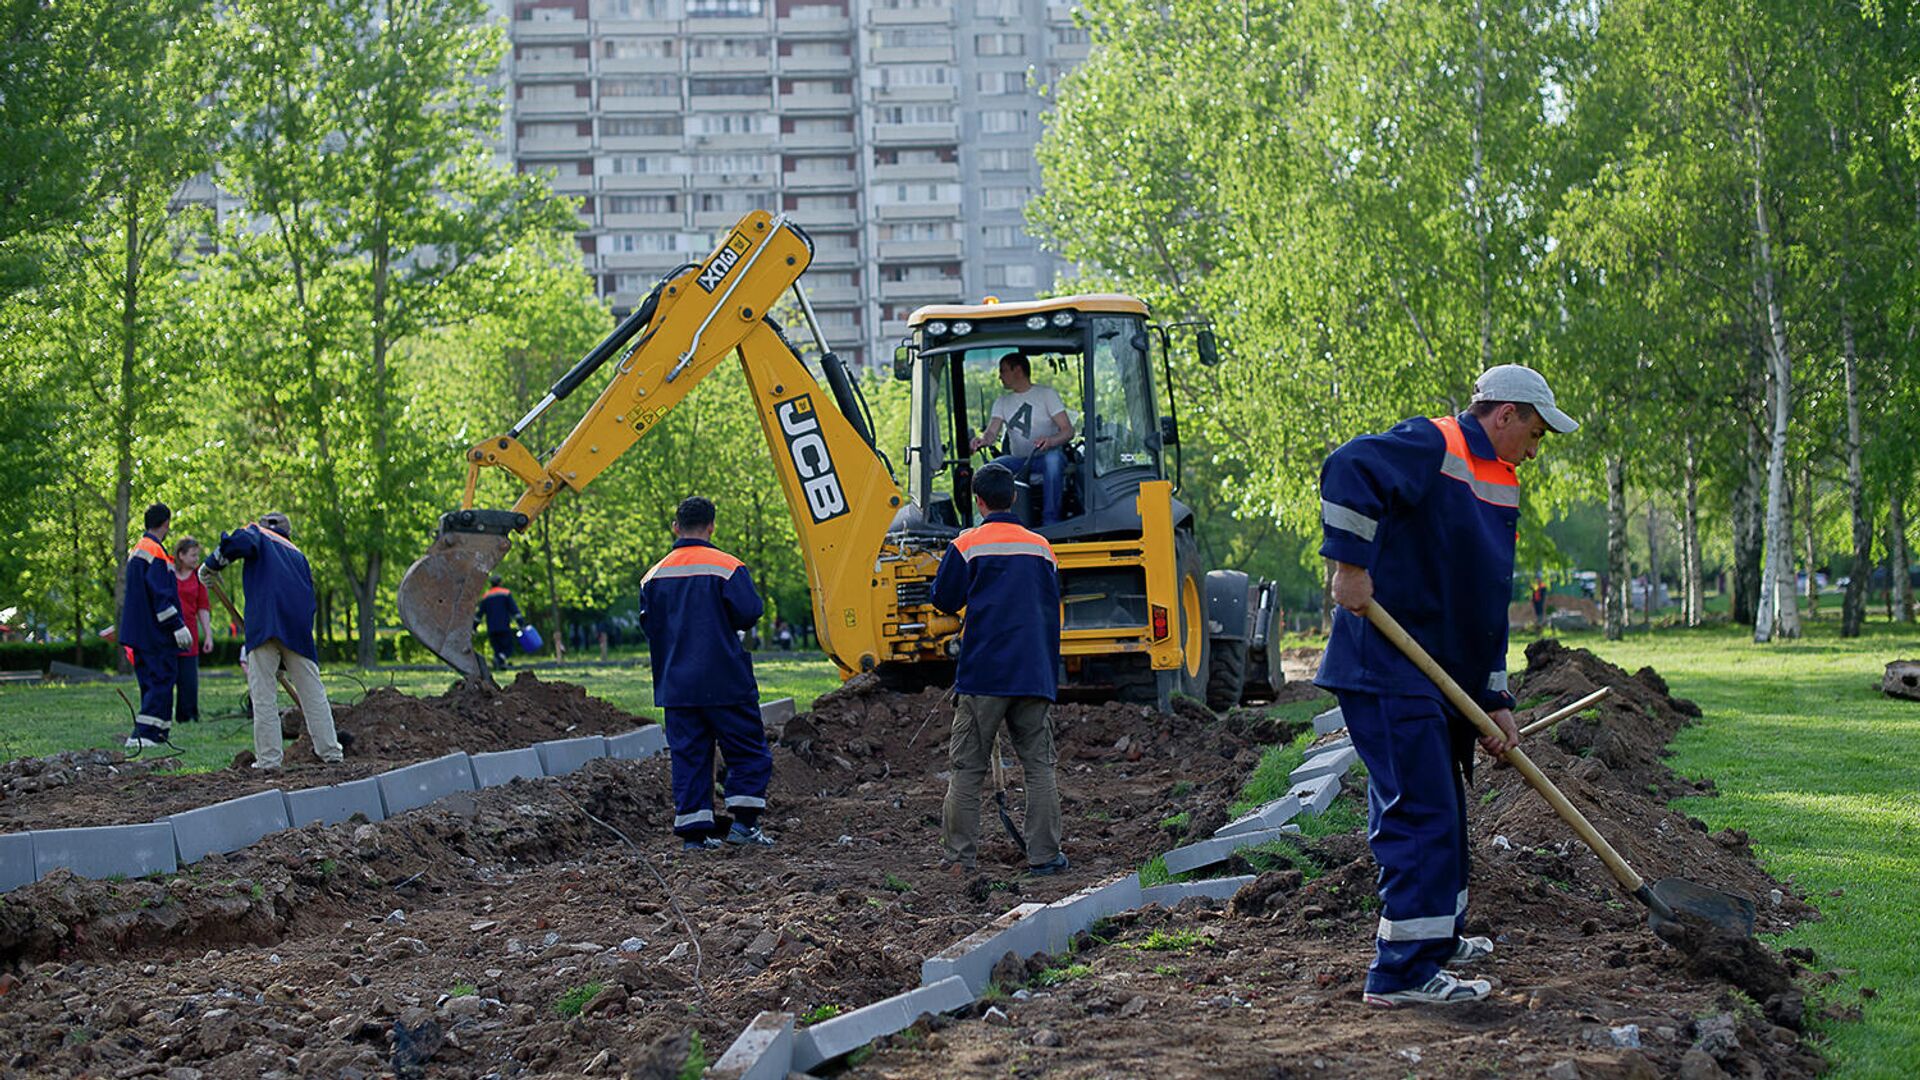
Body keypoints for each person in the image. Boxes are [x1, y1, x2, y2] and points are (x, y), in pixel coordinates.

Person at [1316, 364, 1578, 1008]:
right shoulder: (1436, 444)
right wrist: (1350, 564)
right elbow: (1348, 466)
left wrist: (1495, 700)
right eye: (1536, 433)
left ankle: (1438, 937)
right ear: (1505, 414)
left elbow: (1485, 608)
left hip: (1443, 677)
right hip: (1389, 666)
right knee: (1421, 812)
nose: (1536, 449)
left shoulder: (1502, 482)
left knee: (1446, 808)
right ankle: (1403, 972)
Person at [930, 462, 1068, 875]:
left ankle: (959, 859)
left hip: (984, 675)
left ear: (978, 501)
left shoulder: (966, 544)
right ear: (1014, 498)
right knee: (1040, 767)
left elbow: (943, 599)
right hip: (1035, 674)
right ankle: (1045, 856)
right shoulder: (1042, 548)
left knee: (966, 769)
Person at [640, 497, 776, 850]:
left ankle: (694, 838)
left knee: (689, 757)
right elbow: (748, 612)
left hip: (677, 684)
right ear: (712, 526)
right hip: (725, 680)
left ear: (675, 527)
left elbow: (649, 625)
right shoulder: (727, 567)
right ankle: (744, 827)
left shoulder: (653, 576)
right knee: (746, 750)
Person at [202, 512, 344, 770]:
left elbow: (237, 542)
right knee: (313, 692)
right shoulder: (298, 556)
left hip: (265, 624)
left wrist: (212, 564)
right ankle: (331, 751)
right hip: (298, 629)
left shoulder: (258, 533)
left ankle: (269, 761)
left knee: (263, 694)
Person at [969, 354, 1075, 525]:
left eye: (1003, 371)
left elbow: (1068, 431)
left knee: (1053, 461)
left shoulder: (1046, 395)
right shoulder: (1002, 401)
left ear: (1017, 370)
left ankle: (1051, 521)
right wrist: (982, 440)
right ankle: (997, 523)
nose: (999, 376)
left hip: (1046, 457)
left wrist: (1050, 441)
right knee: (992, 468)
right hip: (1019, 460)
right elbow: (991, 433)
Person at [120, 503, 192, 748]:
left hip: (139, 632)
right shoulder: (157, 553)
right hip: (155, 634)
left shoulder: (138, 550)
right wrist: (176, 625)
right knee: (161, 679)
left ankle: (158, 733)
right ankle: (145, 734)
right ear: (166, 523)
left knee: (150, 682)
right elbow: (161, 595)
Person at [172, 537, 215, 724]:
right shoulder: (168, 574)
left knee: (188, 680)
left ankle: (188, 716)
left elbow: (203, 608)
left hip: (190, 634)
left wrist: (208, 635)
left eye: (198, 555)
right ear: (181, 555)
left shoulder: (198, 578)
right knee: (167, 678)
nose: (196, 559)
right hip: (169, 634)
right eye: (192, 555)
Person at [475, 576, 524, 670]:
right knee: (508, 648)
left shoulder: (486, 596)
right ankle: (499, 660)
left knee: (497, 649)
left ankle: (500, 665)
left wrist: (474, 627)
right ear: (500, 582)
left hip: (492, 628)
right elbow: (514, 610)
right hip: (504, 626)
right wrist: (520, 623)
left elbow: (479, 614)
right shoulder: (505, 593)